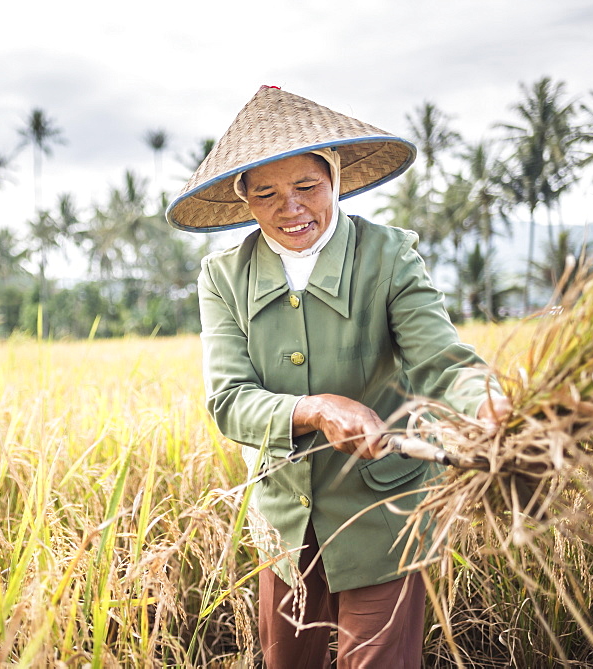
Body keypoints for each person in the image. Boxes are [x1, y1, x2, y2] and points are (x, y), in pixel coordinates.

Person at [165, 86, 510, 668]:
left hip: (384, 512)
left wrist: (487, 402)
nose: (290, 209)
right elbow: (229, 400)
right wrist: (317, 408)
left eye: (307, 187)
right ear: (243, 199)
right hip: (285, 516)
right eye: (267, 194)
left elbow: (441, 361)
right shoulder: (223, 277)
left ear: (336, 180)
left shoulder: (388, 255)